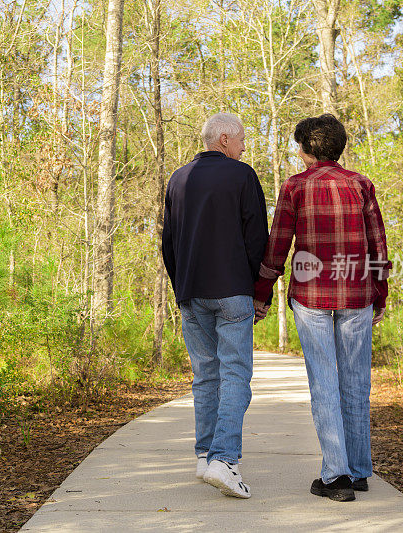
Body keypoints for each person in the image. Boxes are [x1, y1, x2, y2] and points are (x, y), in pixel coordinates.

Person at [253, 113, 391, 502]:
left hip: (311, 298)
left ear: (307, 149)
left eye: (298, 144)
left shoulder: (296, 186)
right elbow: (378, 244)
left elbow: (278, 244)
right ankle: (359, 470)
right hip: (357, 295)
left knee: (325, 382)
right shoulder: (361, 185)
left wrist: (261, 293)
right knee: (356, 382)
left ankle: (336, 476)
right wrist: (380, 292)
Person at [162, 112, 269, 499]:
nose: (245, 145)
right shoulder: (243, 176)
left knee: (205, 376)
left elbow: (168, 243)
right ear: (223, 138)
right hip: (232, 292)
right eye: (241, 138)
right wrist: (261, 292)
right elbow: (258, 238)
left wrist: (181, 289)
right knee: (235, 375)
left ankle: (205, 456)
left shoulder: (178, 178)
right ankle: (224, 460)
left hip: (191, 292)